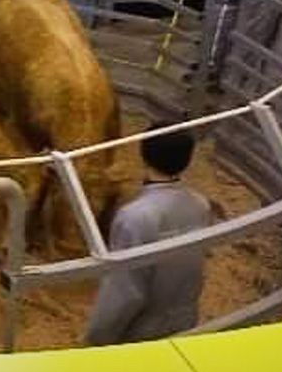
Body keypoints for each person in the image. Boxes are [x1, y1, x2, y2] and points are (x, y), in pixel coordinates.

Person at [82, 122, 215, 347]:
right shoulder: (201, 205)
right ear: (188, 159)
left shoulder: (134, 217)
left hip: (140, 333)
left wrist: (96, 338)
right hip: (185, 322)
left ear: (143, 154)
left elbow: (124, 290)